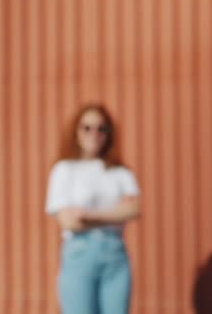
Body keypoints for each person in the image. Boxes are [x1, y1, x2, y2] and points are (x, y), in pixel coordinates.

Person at [45, 103, 141, 314]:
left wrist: (89, 216)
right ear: (76, 131)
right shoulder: (64, 170)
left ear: (109, 133)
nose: (94, 134)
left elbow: (134, 209)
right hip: (79, 255)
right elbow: (68, 222)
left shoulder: (120, 172)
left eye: (101, 128)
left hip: (115, 257)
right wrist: (114, 215)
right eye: (87, 127)